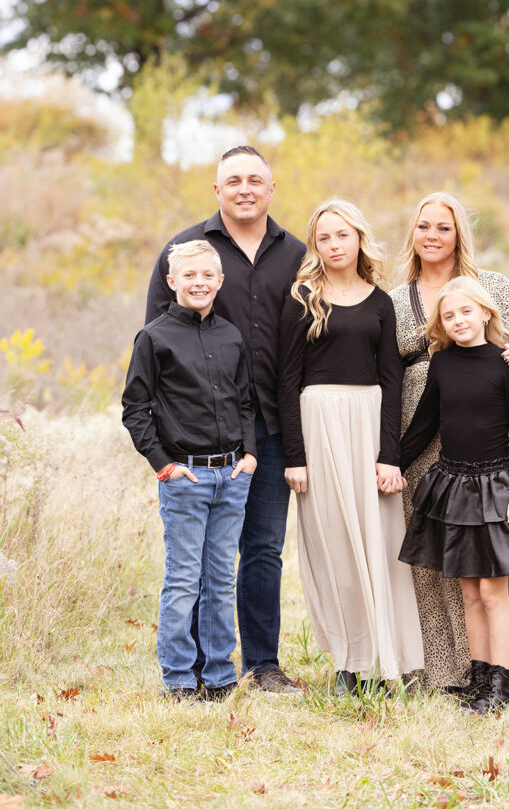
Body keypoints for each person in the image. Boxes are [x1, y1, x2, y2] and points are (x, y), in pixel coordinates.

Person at [391, 191, 509, 695]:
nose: (432, 236)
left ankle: (507, 677)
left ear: (459, 233)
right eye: (423, 226)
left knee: (497, 580)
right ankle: (455, 672)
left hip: (494, 463)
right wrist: (389, 457)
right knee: (447, 571)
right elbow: (401, 390)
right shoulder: (399, 299)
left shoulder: (495, 290)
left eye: (443, 227)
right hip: (436, 462)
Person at [145, 146, 305, 694]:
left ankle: (261, 665)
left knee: (262, 548)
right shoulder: (187, 250)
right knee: (196, 563)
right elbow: (157, 340)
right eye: (232, 180)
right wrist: (164, 453)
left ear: (271, 188)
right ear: (217, 190)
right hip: (202, 435)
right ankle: (190, 673)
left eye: (254, 180)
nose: (244, 188)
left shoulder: (297, 255)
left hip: (275, 428)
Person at [278, 199, 424, 694]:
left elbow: (392, 381)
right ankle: (348, 663)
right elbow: (287, 381)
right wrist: (294, 457)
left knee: (379, 546)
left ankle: (386, 661)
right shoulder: (303, 297)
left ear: (359, 238)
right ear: (315, 245)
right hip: (319, 423)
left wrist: (390, 455)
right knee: (333, 546)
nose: (334, 245)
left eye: (342, 235)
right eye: (324, 238)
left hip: (369, 425)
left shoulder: (382, 303)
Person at [122, 240, 257, 698]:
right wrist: (163, 466)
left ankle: (219, 675)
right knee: (183, 579)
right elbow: (135, 409)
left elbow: (245, 401)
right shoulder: (154, 338)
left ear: (219, 281)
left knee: (221, 578)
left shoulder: (231, 336)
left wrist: (250, 456)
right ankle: (178, 679)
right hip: (186, 477)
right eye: (189, 276)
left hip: (231, 475)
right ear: (172, 282)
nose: (199, 283)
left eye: (207, 276)